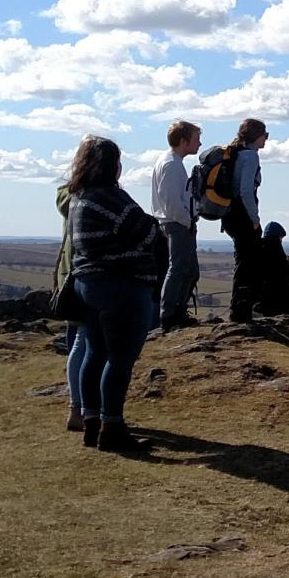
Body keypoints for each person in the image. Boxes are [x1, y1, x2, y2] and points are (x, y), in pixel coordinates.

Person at [66, 136, 162, 454]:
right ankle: (113, 427)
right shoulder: (111, 198)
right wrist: (152, 225)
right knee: (120, 359)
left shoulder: (80, 196)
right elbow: (146, 233)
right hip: (122, 286)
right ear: (113, 164)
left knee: (95, 354)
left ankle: (92, 423)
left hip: (88, 285)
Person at [151, 119, 202, 332]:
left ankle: (176, 312)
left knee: (188, 269)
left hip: (175, 221)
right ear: (183, 141)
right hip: (176, 222)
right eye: (196, 139)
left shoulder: (171, 161)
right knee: (180, 268)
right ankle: (171, 315)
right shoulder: (172, 164)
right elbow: (171, 201)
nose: (199, 144)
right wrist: (187, 220)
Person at [222, 118, 269, 322]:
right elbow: (246, 191)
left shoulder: (236, 154)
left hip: (230, 214)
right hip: (243, 215)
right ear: (256, 135)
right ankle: (240, 310)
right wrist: (255, 219)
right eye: (264, 135)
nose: (266, 139)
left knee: (243, 261)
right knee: (247, 263)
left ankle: (240, 308)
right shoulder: (250, 157)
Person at [52, 179, 87, 434]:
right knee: (83, 342)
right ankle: (81, 407)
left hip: (69, 276)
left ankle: (79, 405)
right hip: (84, 277)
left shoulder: (69, 196)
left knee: (76, 339)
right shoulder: (85, 198)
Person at [256, 222, 289, 315]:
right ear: (276, 236)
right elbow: (286, 274)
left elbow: (275, 269)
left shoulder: (261, 248)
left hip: (265, 298)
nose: (281, 240)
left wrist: (287, 260)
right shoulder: (275, 248)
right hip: (281, 299)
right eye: (281, 237)